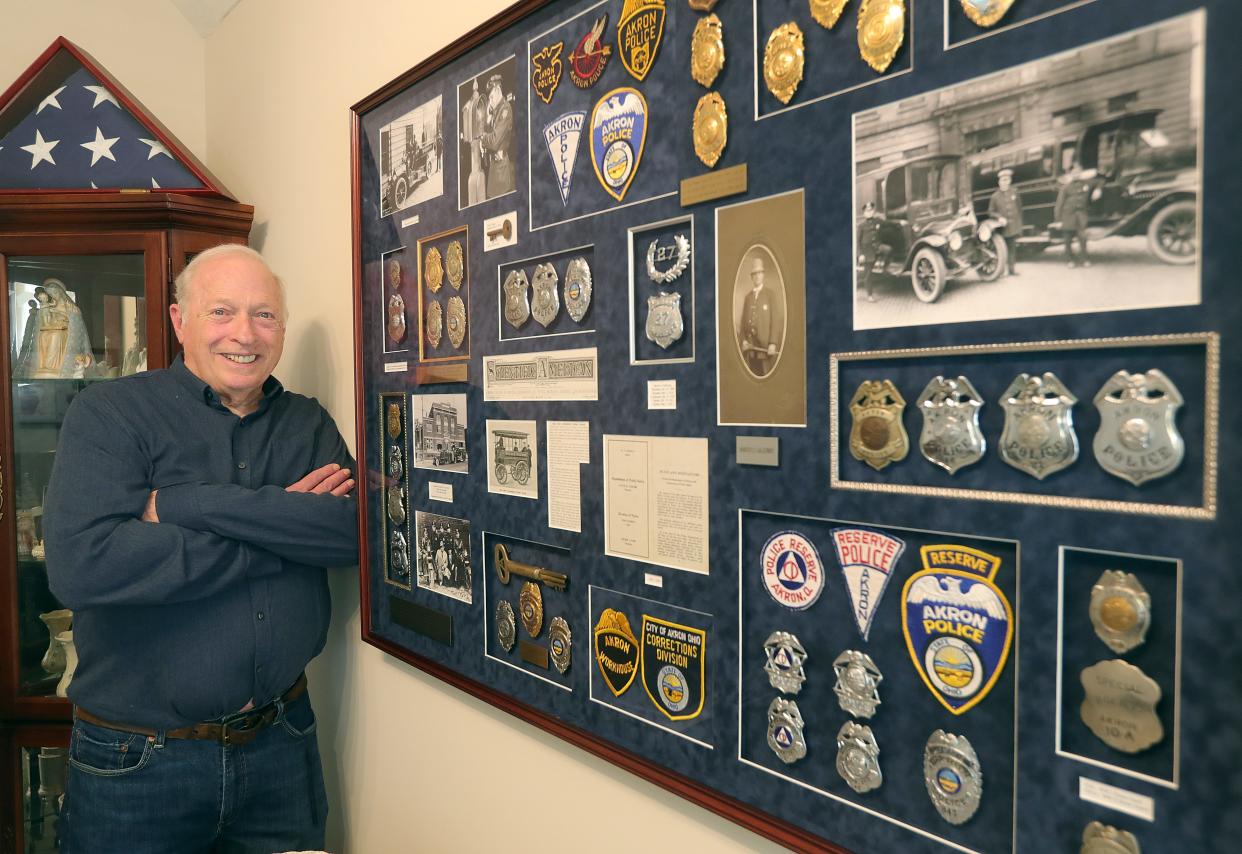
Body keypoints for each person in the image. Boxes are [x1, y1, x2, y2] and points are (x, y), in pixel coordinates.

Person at [43, 244, 358, 853]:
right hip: (136, 762)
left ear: (283, 330)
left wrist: (189, 504)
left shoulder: (306, 423)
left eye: (265, 315)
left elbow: (347, 536)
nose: (245, 333)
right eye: (222, 312)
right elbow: (84, 566)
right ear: (179, 320)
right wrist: (280, 532)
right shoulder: (110, 415)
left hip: (281, 747)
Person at [739, 254, 778, 377]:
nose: (757, 276)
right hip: (751, 349)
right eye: (754, 274)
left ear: (763, 275)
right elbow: (742, 322)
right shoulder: (748, 297)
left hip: (765, 349)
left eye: (759, 273)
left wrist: (773, 343)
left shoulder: (770, 295)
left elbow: (775, 321)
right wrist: (744, 340)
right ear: (751, 277)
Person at [1053, 166, 1100, 268]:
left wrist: (1098, 189)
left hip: (1081, 217)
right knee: (1068, 240)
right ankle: (1069, 260)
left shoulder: (1087, 184)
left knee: (1082, 239)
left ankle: (1084, 259)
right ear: (1071, 175)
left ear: (1081, 174)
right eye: (1074, 174)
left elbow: (1100, 181)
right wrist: (1058, 220)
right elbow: (1059, 205)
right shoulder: (1066, 187)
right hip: (1068, 217)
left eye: (1078, 173)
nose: (1076, 175)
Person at [481, 73, 514, 198]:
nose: (490, 101)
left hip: (501, 169)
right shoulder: (496, 111)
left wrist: (483, 138)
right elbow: (487, 129)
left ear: (498, 90)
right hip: (494, 166)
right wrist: (488, 116)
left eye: (491, 97)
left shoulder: (505, 110)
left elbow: (494, 142)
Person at [987, 168, 1024, 276]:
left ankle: (1012, 270)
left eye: (1006, 180)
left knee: (1012, 248)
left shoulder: (1014, 192)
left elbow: (1019, 208)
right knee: (1002, 249)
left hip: (1013, 226)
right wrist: (999, 218)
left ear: (1010, 181)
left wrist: (1019, 223)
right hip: (1002, 228)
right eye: (1002, 180)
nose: (1004, 182)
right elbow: (990, 212)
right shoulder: (995, 196)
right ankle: (1001, 270)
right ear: (999, 182)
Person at [856, 201, 886, 301]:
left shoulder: (877, 221)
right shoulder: (861, 226)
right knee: (868, 274)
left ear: (874, 211)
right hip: (867, 251)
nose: (870, 212)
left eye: (871, 210)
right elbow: (858, 242)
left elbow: (887, 223)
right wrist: (860, 254)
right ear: (864, 213)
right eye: (867, 211)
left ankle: (882, 264)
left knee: (889, 250)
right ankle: (870, 295)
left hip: (877, 248)